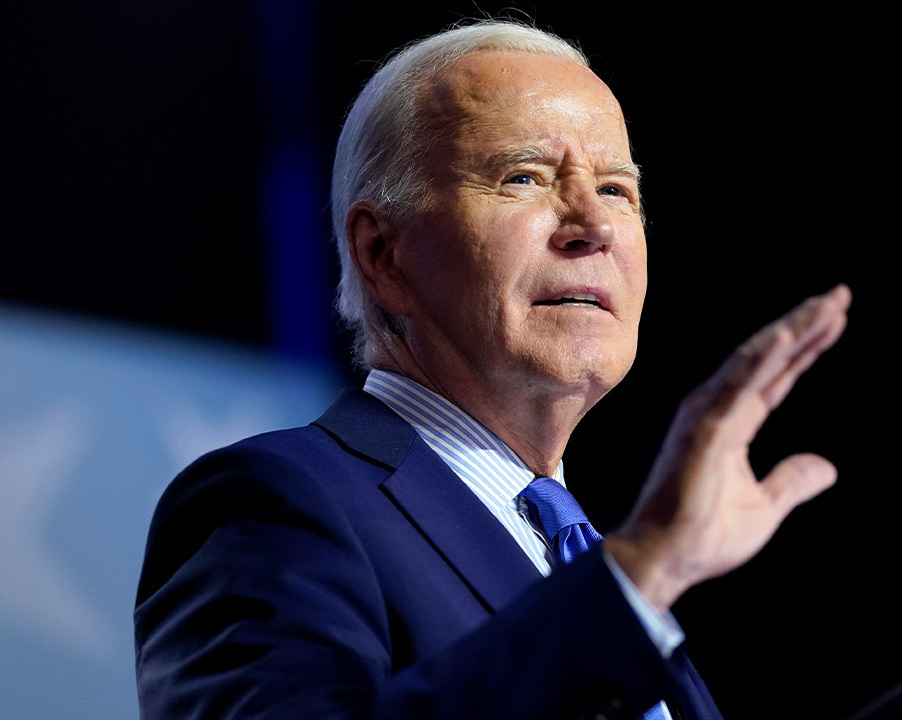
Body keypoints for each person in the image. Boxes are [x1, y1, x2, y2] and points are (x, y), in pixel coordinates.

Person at [134, 20, 851, 720]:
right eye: (523, 176)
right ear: (384, 255)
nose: (592, 226)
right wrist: (642, 573)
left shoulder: (588, 556)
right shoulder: (273, 503)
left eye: (615, 190)